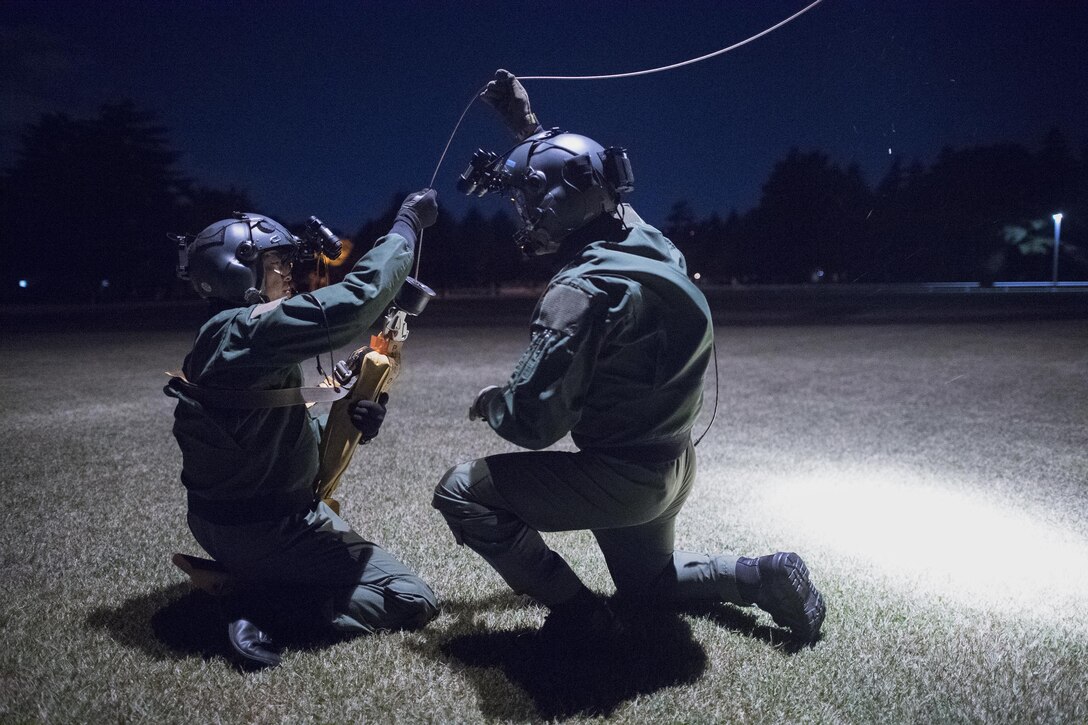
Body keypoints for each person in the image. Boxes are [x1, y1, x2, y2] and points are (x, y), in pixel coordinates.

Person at [432, 71, 826, 647]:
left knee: (460, 490)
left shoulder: (579, 289)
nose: (521, 211)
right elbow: (587, 186)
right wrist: (529, 129)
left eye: (524, 199)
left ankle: (576, 614)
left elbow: (534, 424)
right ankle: (756, 576)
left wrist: (493, 404)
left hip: (620, 477)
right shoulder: (652, 246)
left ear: (550, 202)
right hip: (673, 462)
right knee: (650, 586)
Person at [166, 190, 440, 668]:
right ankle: (254, 605)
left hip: (236, 517)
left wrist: (345, 417)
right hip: (266, 526)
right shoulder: (245, 331)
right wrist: (407, 225)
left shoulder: (222, 334)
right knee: (411, 598)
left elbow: (266, 430)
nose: (288, 272)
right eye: (277, 262)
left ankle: (248, 576)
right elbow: (355, 302)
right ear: (239, 269)